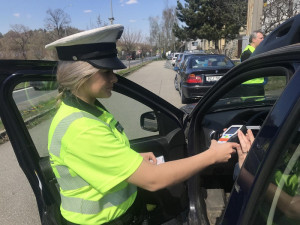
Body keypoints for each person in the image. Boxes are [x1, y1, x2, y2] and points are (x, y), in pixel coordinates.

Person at [46, 24, 240, 225]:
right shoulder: (81, 128)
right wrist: (212, 156)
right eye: (106, 72)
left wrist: (133, 159)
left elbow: (94, 159)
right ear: (81, 74)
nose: (114, 78)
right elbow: (153, 180)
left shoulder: (83, 108)